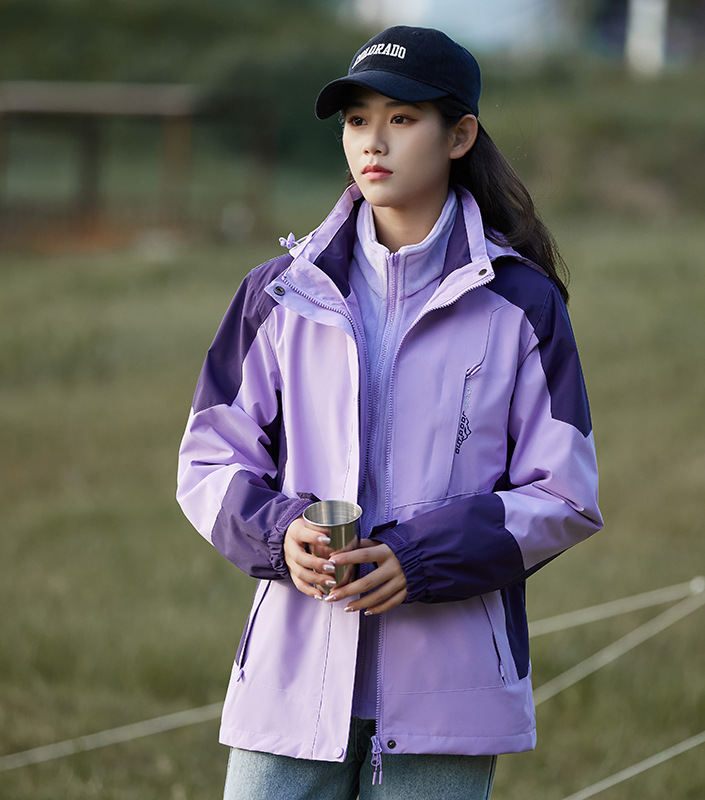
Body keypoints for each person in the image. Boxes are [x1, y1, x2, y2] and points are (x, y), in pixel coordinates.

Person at [177, 25, 602, 800]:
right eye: (357, 119)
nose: (373, 141)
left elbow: (565, 494)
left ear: (459, 135)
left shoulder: (522, 304)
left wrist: (419, 559)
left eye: (402, 118)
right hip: (290, 687)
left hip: (450, 698)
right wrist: (280, 533)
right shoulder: (279, 293)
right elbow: (209, 459)